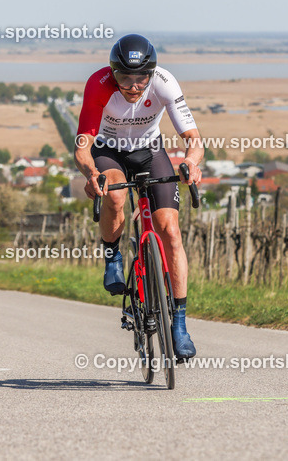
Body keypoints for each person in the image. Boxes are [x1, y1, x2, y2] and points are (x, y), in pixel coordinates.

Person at [73, 33, 203, 359]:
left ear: (152, 73)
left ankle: (180, 323)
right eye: (124, 78)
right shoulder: (98, 84)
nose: (132, 86)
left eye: (140, 78)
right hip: (109, 153)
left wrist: (190, 162)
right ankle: (112, 255)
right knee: (115, 198)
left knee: (171, 232)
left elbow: (194, 138)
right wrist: (92, 174)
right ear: (113, 73)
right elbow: (83, 145)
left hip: (150, 151)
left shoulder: (165, 83)